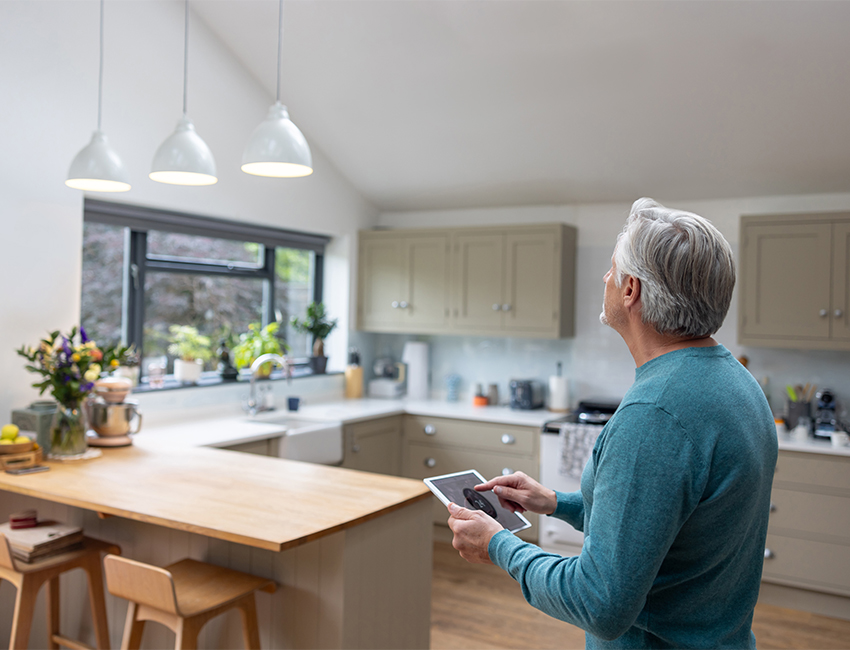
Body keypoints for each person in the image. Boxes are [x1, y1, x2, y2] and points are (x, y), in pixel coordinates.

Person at [447, 198, 778, 649]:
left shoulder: (655, 416)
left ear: (630, 290)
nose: (605, 278)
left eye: (611, 268)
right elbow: (660, 527)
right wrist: (555, 502)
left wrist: (498, 545)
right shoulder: (735, 382)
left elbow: (599, 603)